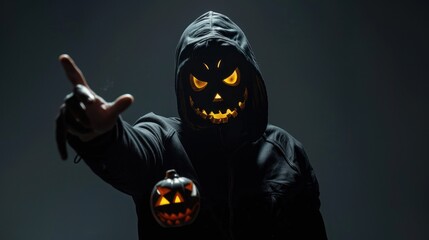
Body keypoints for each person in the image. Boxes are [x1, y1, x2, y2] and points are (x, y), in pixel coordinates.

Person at [55, 11, 328, 239]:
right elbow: (130, 152)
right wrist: (101, 135)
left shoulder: (286, 153)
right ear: (184, 86)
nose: (217, 94)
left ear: (249, 78)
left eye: (228, 78)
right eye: (201, 81)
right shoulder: (161, 141)